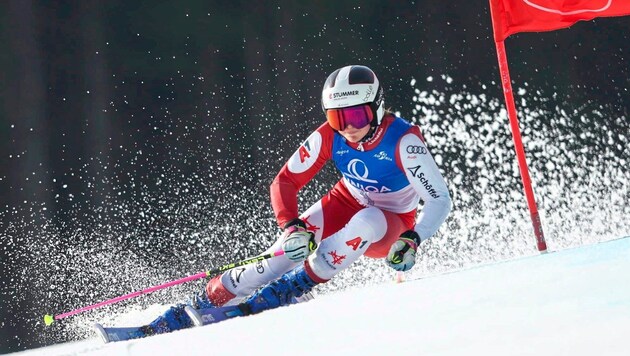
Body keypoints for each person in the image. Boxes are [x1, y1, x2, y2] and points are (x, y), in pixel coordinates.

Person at [144, 64, 452, 334]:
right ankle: (202, 303)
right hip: (344, 201)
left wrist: (413, 238)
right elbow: (285, 181)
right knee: (278, 257)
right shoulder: (330, 136)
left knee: (367, 220)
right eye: (336, 118)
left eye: (358, 116)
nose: (348, 128)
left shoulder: (404, 140)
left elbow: (439, 199)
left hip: (391, 223)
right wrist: (291, 227)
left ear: (377, 107)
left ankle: (295, 287)